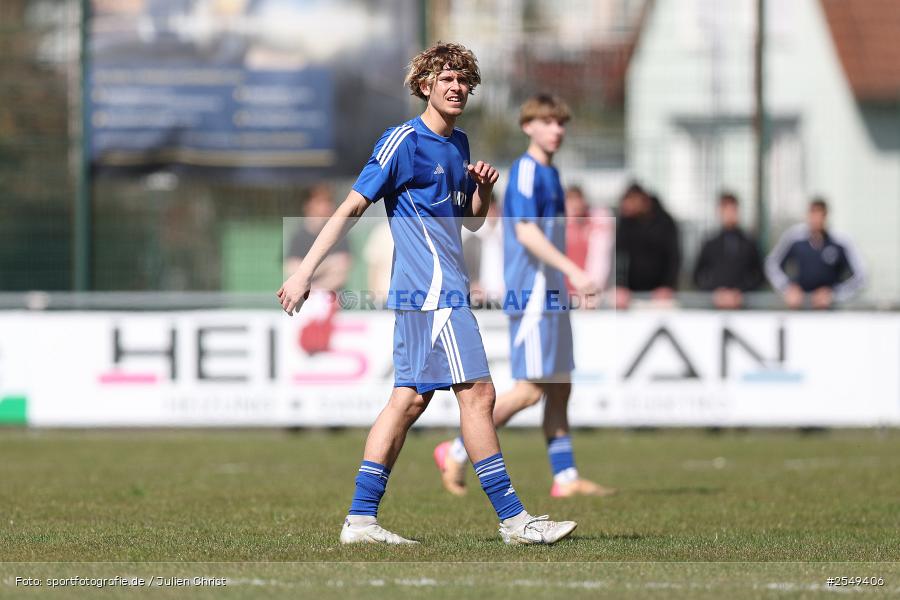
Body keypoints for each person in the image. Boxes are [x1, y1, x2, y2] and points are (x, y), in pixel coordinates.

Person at [278, 42, 577, 546]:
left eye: (464, 81)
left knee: (409, 399)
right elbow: (353, 206)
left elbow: (473, 222)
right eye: (447, 80)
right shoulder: (402, 141)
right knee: (479, 394)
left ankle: (360, 521)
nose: (457, 87)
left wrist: (481, 191)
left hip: (437, 292)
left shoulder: (459, 144)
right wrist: (305, 271)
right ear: (424, 86)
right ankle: (515, 520)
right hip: (432, 293)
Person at [433, 94, 615, 499]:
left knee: (560, 384)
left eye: (561, 123)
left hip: (551, 291)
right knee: (530, 389)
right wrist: (574, 272)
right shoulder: (528, 173)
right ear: (527, 126)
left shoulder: (551, 173)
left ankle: (565, 478)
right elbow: (526, 232)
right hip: (532, 293)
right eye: (547, 122)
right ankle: (456, 450)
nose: (556, 130)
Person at [285, 184, 352, 354]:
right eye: (320, 201)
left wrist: (308, 278)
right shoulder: (298, 236)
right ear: (309, 205)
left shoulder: (340, 235)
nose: (326, 206)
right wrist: (327, 265)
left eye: (328, 201)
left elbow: (341, 272)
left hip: (331, 302)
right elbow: (292, 270)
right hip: (304, 303)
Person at [765, 198, 865, 309]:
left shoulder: (841, 241)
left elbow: (861, 276)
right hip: (800, 307)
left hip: (831, 310)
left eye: (820, 214)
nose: (816, 219)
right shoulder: (794, 237)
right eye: (813, 213)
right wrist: (787, 288)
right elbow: (772, 264)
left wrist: (834, 295)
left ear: (826, 215)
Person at [614, 183, 681, 309]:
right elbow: (619, 256)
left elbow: (673, 257)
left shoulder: (665, 222)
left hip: (660, 295)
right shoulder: (626, 223)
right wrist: (620, 285)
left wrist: (667, 286)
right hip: (630, 295)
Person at [693, 192, 764, 309]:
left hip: (743, 307)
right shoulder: (710, 243)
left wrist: (740, 292)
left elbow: (759, 276)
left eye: (733, 210)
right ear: (719, 212)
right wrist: (715, 292)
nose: (729, 214)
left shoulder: (749, 242)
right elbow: (697, 276)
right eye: (726, 210)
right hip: (714, 308)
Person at [565, 185, 614, 308]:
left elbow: (600, 261)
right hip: (564, 294)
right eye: (571, 200)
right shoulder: (558, 226)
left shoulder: (596, 224)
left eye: (578, 199)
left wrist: (590, 290)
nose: (575, 205)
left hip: (589, 296)